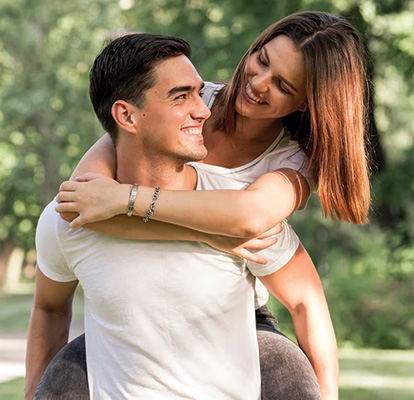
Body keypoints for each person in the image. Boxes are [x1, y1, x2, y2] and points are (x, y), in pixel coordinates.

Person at [53, 10, 370, 400]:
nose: (258, 83)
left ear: (307, 103)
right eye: (262, 60)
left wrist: (128, 200)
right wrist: (218, 236)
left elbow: (251, 216)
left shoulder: (292, 163)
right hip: (136, 306)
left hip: (233, 311)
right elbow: (83, 205)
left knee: (286, 374)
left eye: (284, 86)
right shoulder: (189, 101)